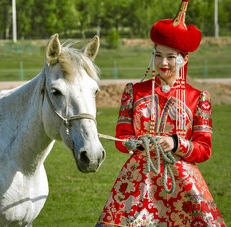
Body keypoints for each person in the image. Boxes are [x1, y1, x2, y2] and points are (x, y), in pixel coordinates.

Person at [96, 0, 226, 226]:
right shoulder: (134, 92)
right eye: (158, 55)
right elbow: (121, 139)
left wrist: (175, 144)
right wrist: (139, 143)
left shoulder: (198, 98)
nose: (163, 63)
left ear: (184, 59)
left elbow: (204, 150)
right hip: (138, 180)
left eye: (170, 56)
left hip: (182, 184)